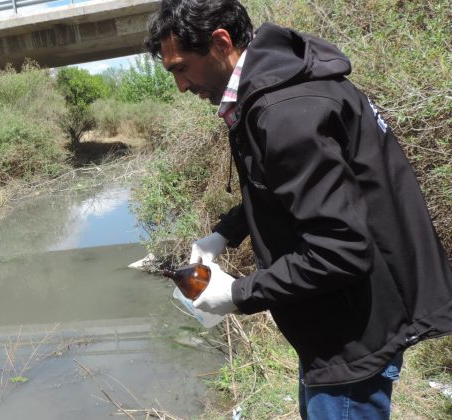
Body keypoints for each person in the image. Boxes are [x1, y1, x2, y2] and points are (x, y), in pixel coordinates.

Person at [144, 0, 452, 418]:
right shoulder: (279, 85)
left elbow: (339, 250)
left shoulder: (283, 110)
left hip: (351, 335)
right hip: (339, 318)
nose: (181, 85)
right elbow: (284, 185)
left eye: (181, 67)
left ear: (219, 42)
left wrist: (236, 294)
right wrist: (226, 232)